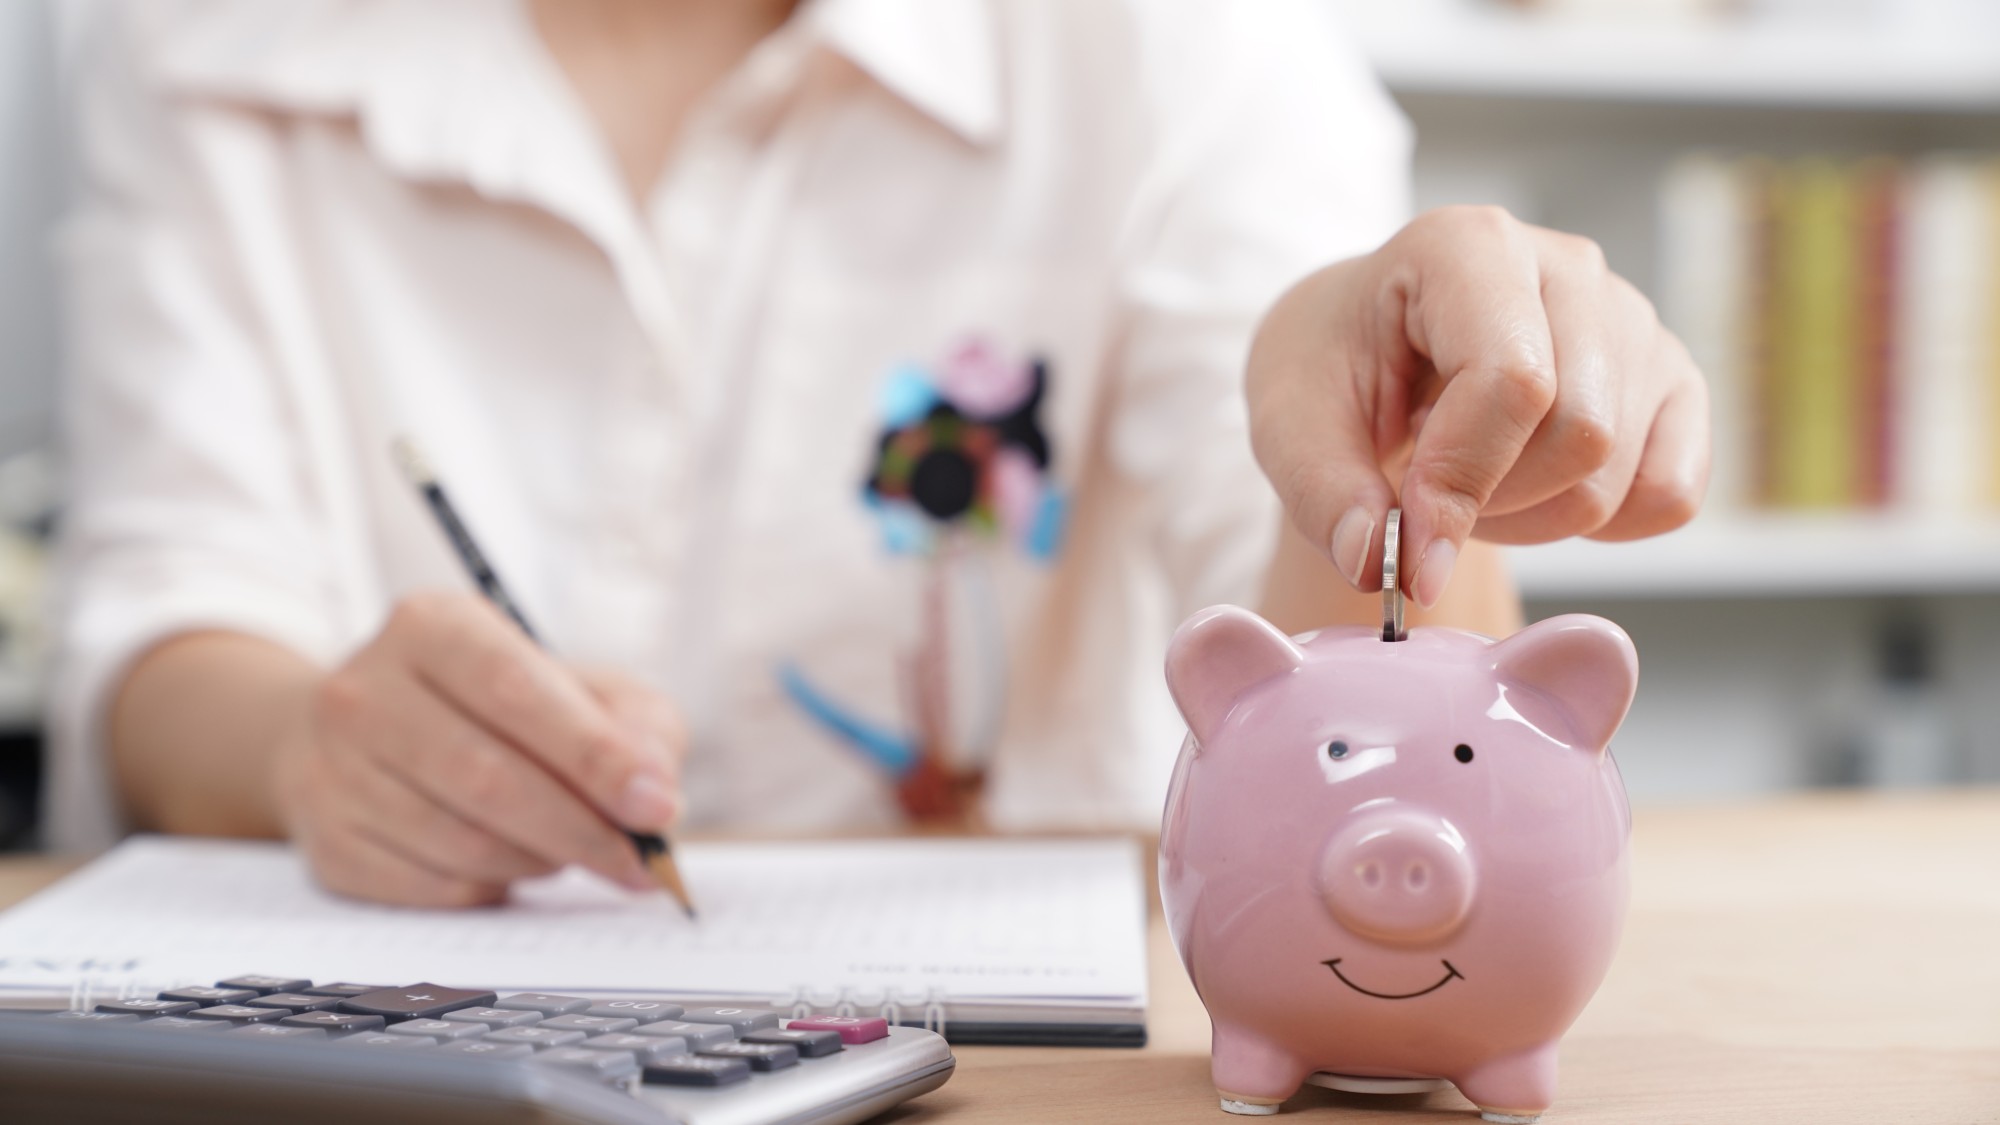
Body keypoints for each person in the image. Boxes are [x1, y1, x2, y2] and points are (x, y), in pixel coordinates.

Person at [51, 0, 1706, 906]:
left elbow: (1383, 700)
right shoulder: (199, 42)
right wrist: (312, 748)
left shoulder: (1187, 45)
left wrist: (1395, 447)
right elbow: (165, 611)